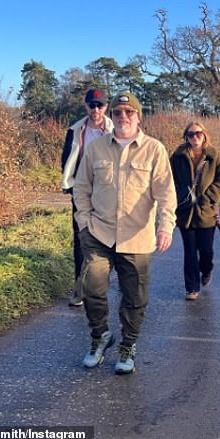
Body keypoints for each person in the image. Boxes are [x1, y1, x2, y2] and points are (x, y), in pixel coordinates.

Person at [73, 91, 176, 375]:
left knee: (135, 297)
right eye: (117, 112)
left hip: (137, 237)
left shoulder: (154, 149)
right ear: (112, 115)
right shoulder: (96, 149)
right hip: (99, 233)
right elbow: (81, 188)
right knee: (91, 288)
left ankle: (128, 345)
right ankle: (100, 336)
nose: (123, 117)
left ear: (138, 116)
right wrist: (83, 222)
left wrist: (165, 226)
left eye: (129, 112)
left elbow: (167, 194)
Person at [60, 88, 114, 307]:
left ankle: (101, 282)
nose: (96, 109)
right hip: (81, 191)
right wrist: (70, 186)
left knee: (106, 237)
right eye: (92, 105)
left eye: (100, 105)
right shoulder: (75, 130)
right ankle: (80, 289)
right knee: (81, 238)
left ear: (106, 107)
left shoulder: (115, 129)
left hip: (107, 190)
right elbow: (66, 159)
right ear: (86, 106)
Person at [170, 122, 220, 301]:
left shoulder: (214, 157)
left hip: (206, 211)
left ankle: (207, 269)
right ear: (186, 137)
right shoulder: (178, 156)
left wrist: (208, 197)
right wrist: (178, 196)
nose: (194, 137)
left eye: (198, 133)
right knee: (189, 252)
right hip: (185, 212)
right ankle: (191, 288)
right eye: (190, 134)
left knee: (206, 251)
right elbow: (169, 179)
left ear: (204, 135)